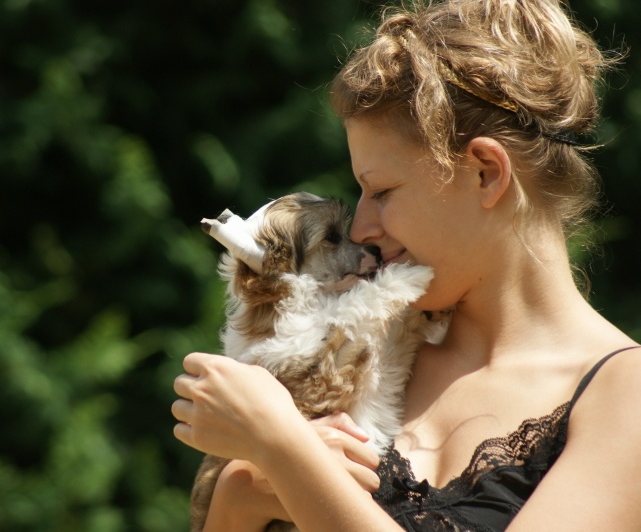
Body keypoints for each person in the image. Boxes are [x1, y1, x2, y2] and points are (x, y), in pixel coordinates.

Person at [171, 0, 641, 530]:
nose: (361, 230)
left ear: (486, 173)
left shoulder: (626, 397)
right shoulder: (363, 345)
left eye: (381, 192)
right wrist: (237, 493)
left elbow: (287, 456)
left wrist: (283, 448)